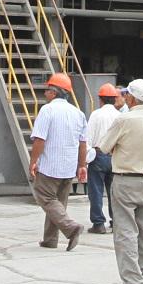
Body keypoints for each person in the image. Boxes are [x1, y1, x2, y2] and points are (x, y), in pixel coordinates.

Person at [97, 78, 143, 284]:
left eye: (126, 95)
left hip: (126, 179)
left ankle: (132, 283)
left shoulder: (123, 119)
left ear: (132, 97)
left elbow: (104, 147)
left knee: (125, 232)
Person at [28, 72, 88, 250]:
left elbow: (39, 139)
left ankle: (71, 228)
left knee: (45, 198)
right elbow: (83, 143)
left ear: (54, 93)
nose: (45, 93)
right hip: (69, 167)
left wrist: (33, 161)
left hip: (50, 167)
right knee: (58, 204)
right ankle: (50, 240)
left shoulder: (48, 110)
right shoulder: (78, 113)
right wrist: (82, 165)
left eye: (47, 90)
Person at [85, 83, 122, 234]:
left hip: (99, 155)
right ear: (114, 99)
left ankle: (98, 223)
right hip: (116, 156)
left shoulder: (96, 115)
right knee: (115, 192)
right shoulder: (120, 116)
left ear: (100, 99)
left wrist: (85, 159)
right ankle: (116, 222)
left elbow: (88, 138)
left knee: (96, 191)